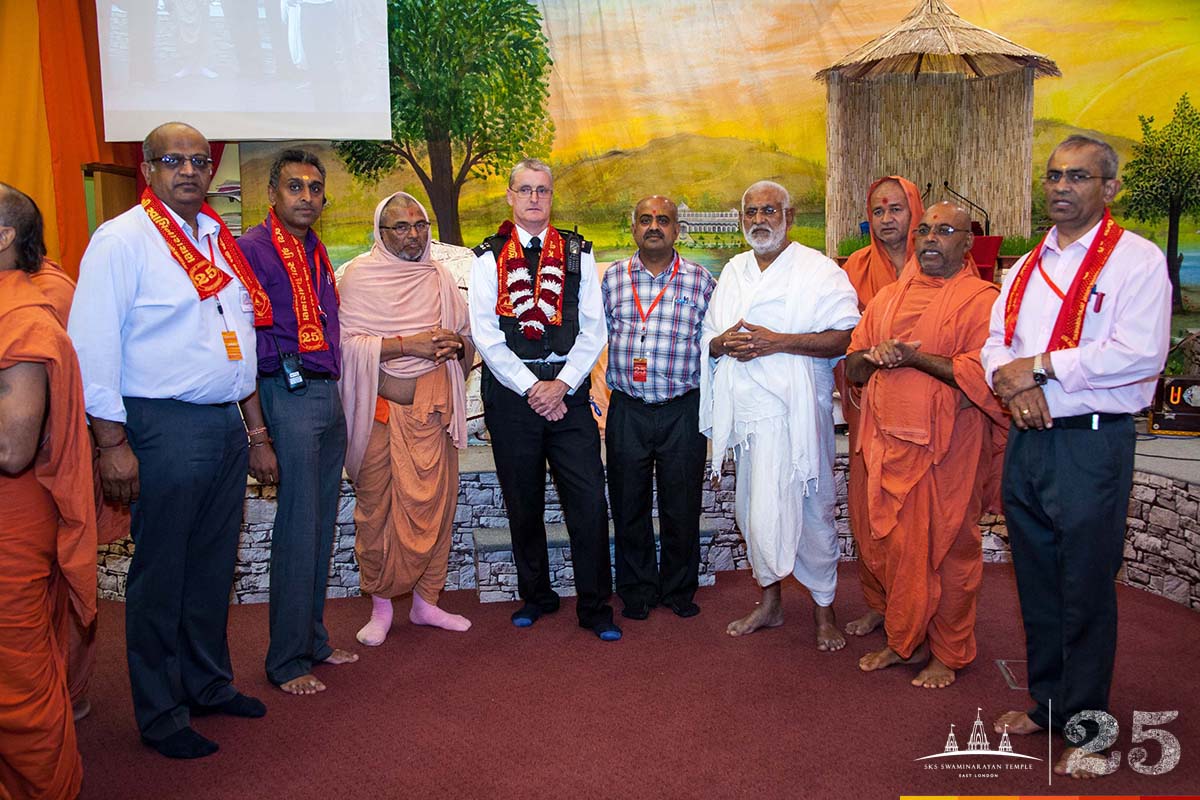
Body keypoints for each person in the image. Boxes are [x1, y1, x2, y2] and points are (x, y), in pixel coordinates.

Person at [68, 122, 269, 759]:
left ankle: (208, 683)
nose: (187, 170)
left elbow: (234, 332)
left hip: (221, 422)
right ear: (149, 169)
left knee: (213, 566)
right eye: (171, 160)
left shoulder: (216, 237)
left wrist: (253, 428)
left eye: (198, 160)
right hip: (159, 424)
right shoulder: (121, 240)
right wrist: (111, 442)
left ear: (211, 169)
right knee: (162, 574)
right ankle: (161, 713)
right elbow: (91, 345)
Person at [982, 135, 1171, 778]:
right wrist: (1015, 382)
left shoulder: (1136, 262)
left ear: (1109, 189)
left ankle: (1088, 721)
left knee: (1084, 584)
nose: (1061, 187)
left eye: (1079, 177)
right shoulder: (1026, 264)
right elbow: (994, 343)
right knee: (1035, 577)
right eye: (1055, 176)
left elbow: (1139, 354)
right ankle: (1048, 702)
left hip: (1092, 442)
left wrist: (1038, 370)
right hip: (1029, 439)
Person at [845, 202, 1007, 688]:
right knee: (891, 547)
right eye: (925, 231)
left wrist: (915, 358)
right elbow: (852, 367)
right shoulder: (887, 300)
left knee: (949, 551)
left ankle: (949, 653)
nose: (931, 239)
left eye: (945, 231)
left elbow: (984, 374)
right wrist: (873, 358)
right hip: (884, 443)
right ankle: (903, 638)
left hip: (948, 451)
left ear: (967, 243)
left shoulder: (983, 300)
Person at [700, 180, 860, 650]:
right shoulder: (732, 271)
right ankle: (769, 604)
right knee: (754, 512)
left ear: (789, 217)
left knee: (814, 512)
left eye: (769, 210)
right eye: (750, 212)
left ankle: (824, 612)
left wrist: (779, 342)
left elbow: (845, 337)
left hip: (799, 422)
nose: (759, 220)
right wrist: (723, 342)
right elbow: (709, 338)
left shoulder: (818, 270)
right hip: (748, 422)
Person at [468, 158, 620, 642]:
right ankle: (537, 595)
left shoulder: (579, 252)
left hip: (569, 392)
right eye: (526, 190)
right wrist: (532, 387)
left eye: (543, 191)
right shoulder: (487, 256)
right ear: (510, 197)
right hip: (514, 396)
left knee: (589, 502)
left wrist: (562, 384)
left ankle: (596, 606)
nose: (535, 199)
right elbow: (486, 337)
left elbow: (594, 328)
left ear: (552, 197)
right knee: (523, 500)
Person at [235, 149, 357, 696]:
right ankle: (285, 660)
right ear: (272, 195)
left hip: (325, 394)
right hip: (286, 395)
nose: (306, 197)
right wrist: (258, 433)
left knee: (321, 526)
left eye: (314, 188)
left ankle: (312, 638)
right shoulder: (253, 251)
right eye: (294, 187)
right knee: (297, 530)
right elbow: (244, 347)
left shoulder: (314, 249)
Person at [338, 192, 474, 646]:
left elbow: (464, 338)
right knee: (377, 512)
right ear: (380, 232)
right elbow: (344, 349)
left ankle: (425, 603)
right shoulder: (358, 278)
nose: (413, 234)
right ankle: (381, 608)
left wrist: (455, 346)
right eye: (401, 226)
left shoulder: (438, 276)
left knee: (436, 508)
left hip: (432, 413)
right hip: (380, 413)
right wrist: (407, 345)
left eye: (420, 224)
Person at [0, 183, 96, 800]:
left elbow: (11, 448)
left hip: (13, 522)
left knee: (18, 687)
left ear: (4, 237)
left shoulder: (25, 318)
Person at [602, 195, 716, 620]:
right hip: (627, 408)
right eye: (646, 220)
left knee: (681, 503)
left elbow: (714, 343)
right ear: (633, 228)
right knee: (628, 503)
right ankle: (637, 589)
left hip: (681, 408)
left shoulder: (701, 281)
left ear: (676, 230)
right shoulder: (611, 280)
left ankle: (679, 587)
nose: (654, 226)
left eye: (663, 220)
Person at [836, 176, 924, 638]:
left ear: (915, 212)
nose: (887, 219)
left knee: (915, 515)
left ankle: (921, 611)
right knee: (867, 508)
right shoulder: (854, 267)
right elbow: (843, 338)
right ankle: (879, 602)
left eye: (896, 209)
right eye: (878, 211)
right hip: (867, 405)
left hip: (923, 411)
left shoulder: (937, 263)